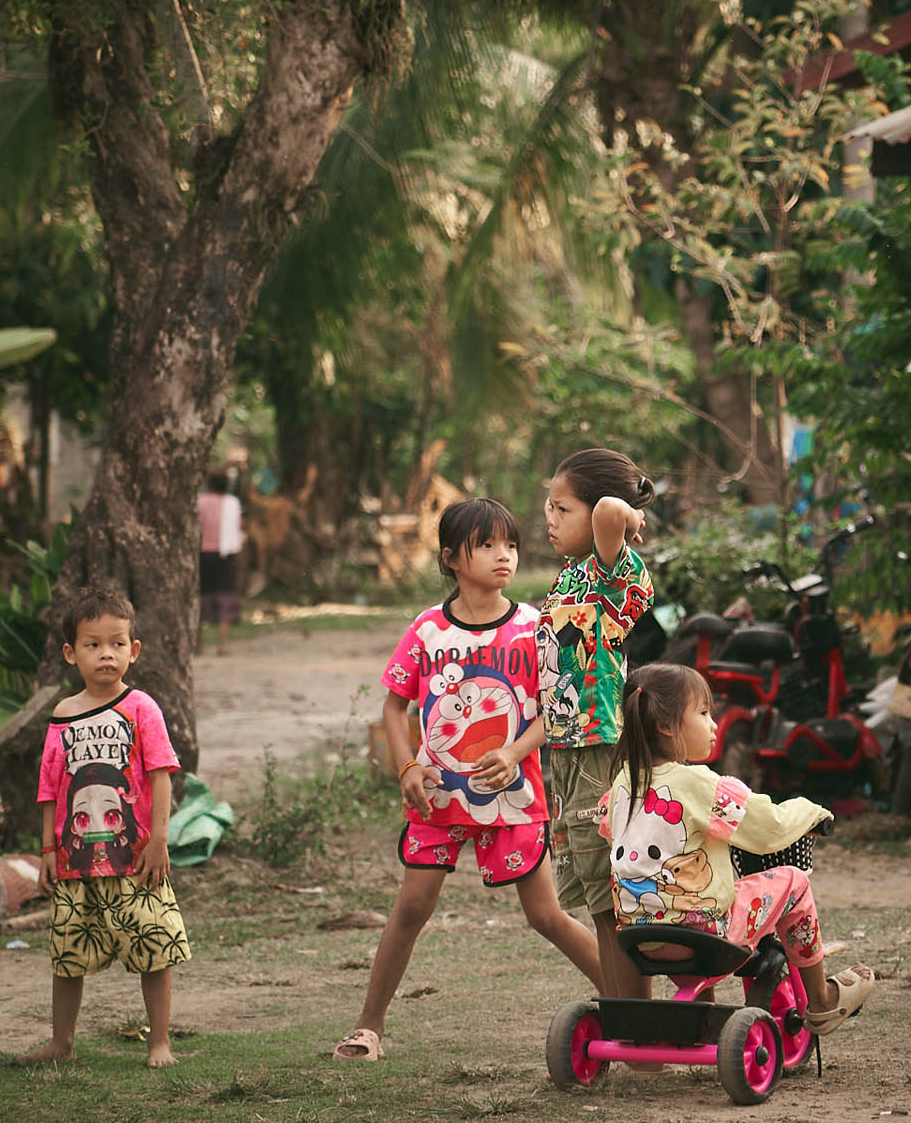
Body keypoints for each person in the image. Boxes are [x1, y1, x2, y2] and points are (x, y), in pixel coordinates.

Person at [334, 499, 603, 1062]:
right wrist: (407, 766)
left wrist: (515, 751)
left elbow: (555, 708)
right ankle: (368, 1027)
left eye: (511, 544)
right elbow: (394, 706)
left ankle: (632, 1005)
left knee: (545, 916)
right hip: (437, 799)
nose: (504, 556)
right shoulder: (427, 629)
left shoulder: (534, 626)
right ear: (451, 558)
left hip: (515, 798)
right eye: (486, 545)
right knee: (411, 907)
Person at [601, 663, 874, 1035]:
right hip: (703, 933)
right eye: (703, 713)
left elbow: (611, 831)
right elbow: (769, 827)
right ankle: (823, 1001)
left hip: (640, 935)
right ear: (665, 725)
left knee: (692, 893)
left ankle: (701, 1023)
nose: (713, 724)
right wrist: (811, 812)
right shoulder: (699, 784)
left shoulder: (622, 784)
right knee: (794, 882)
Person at [22, 586, 189, 1069]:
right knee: (67, 955)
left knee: (153, 947)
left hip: (135, 859)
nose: (106, 654)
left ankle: (160, 1042)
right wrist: (47, 849)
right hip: (74, 862)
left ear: (133, 650)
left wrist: (159, 840)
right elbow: (50, 787)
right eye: (93, 645)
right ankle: (62, 1043)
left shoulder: (142, 709)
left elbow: (161, 776)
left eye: (117, 644)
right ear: (70, 653)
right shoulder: (62, 715)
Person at [538, 447, 657, 1000]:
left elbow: (610, 510)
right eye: (549, 506)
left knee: (614, 901)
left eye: (562, 508)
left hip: (596, 749)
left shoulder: (613, 572)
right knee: (596, 900)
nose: (549, 518)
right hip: (565, 752)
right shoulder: (569, 577)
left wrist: (630, 516)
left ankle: (635, 1021)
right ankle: (622, 1016)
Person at [198, 471, 244, 655]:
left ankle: (198, 645)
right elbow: (238, 527)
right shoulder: (233, 503)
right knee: (225, 595)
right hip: (226, 555)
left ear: (209, 484)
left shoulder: (200, 502)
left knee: (200, 596)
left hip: (203, 554)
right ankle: (222, 645)